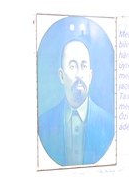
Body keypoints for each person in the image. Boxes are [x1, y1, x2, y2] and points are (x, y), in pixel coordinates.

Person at [38, 38, 115, 166]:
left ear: (90, 76)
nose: (79, 74)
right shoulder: (43, 125)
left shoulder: (110, 125)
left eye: (84, 66)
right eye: (72, 66)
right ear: (61, 76)